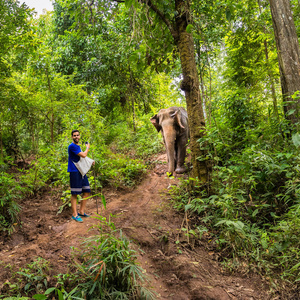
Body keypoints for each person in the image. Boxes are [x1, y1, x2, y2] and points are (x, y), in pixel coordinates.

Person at [68, 129, 92, 222]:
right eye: (74, 135)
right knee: (75, 193)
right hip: (74, 171)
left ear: (79, 136)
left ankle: (81, 211)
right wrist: (88, 147)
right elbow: (84, 155)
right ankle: (74, 214)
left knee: (87, 191)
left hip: (81, 172)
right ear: (72, 137)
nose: (76, 137)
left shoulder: (77, 147)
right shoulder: (72, 146)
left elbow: (82, 158)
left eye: (77, 135)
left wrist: (91, 162)